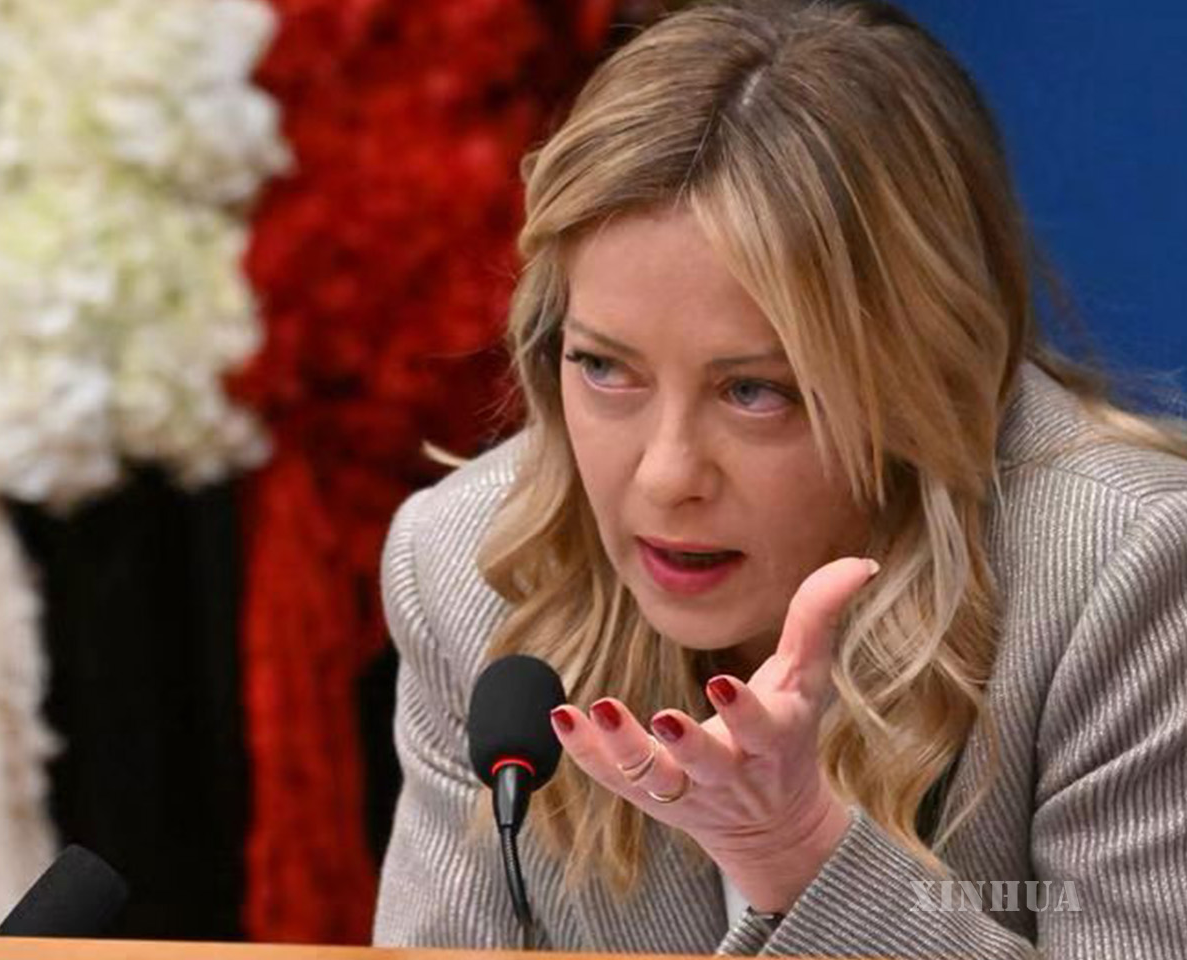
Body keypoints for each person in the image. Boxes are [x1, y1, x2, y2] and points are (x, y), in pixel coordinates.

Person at [369, 1, 1187, 956]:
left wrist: (803, 859)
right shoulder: (468, 569)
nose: (666, 477)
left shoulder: (1124, 574)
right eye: (604, 368)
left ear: (917, 370)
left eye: (755, 391)